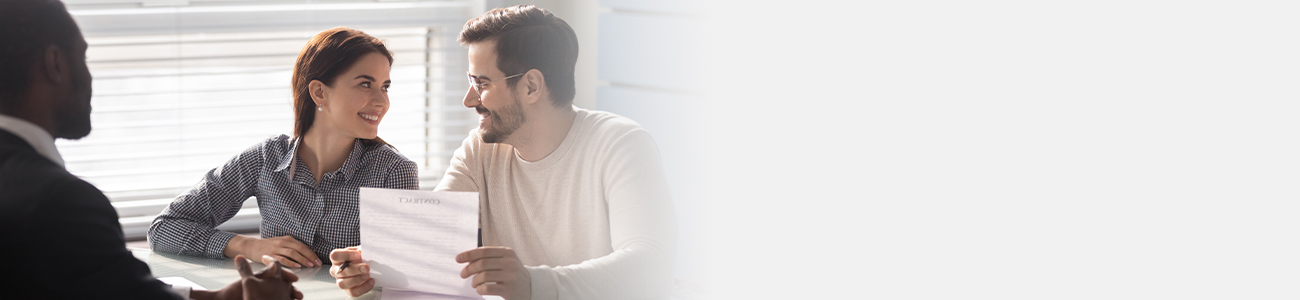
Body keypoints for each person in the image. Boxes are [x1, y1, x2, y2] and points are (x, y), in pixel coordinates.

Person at [329, 5, 678, 300]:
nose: (468, 100)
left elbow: (649, 265)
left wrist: (531, 282)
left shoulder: (620, 143)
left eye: (481, 83)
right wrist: (374, 263)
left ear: (531, 86)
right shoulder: (480, 150)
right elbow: (432, 241)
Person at [0, 0, 302, 299]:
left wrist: (218, 298)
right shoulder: (59, 202)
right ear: (55, 64)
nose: (91, 78)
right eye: (82, 57)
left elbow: (119, 288)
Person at [147, 27, 419, 268]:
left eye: (385, 87)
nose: (381, 101)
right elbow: (164, 228)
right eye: (365, 84)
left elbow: (404, 267)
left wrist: (366, 264)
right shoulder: (265, 159)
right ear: (319, 92)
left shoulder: (393, 172)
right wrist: (248, 246)